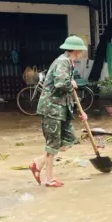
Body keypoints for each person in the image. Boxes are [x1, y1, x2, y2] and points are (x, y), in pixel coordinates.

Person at [28, 36, 88, 188]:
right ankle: (49, 178)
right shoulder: (63, 61)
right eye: (80, 49)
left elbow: (67, 91)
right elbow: (61, 83)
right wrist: (71, 83)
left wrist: (78, 110)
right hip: (51, 108)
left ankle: (38, 163)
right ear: (76, 50)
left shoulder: (69, 62)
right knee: (53, 144)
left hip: (61, 108)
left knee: (68, 140)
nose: (82, 52)